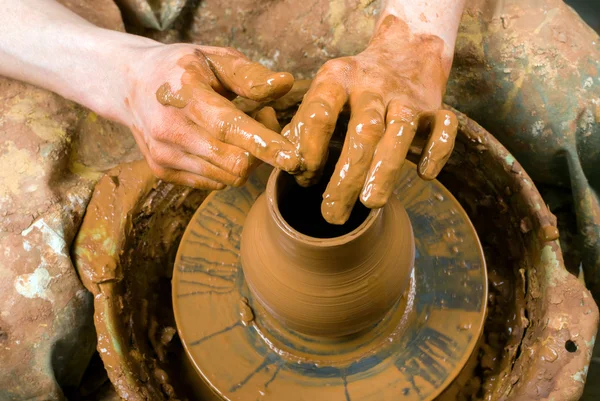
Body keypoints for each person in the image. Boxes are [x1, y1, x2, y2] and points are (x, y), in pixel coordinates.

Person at [0, 0, 598, 399]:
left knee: (578, 83)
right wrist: (123, 76)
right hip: (62, 26)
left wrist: (417, 38)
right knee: (18, 319)